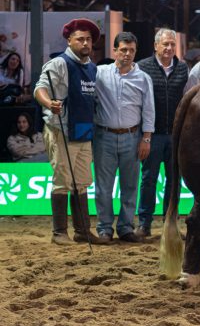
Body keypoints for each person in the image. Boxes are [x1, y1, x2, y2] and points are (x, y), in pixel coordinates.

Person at [34, 18, 101, 245]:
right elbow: (40, 88)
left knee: (82, 182)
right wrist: (49, 103)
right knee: (63, 180)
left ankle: (83, 231)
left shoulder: (92, 67)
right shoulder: (59, 63)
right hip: (61, 129)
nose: (85, 43)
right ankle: (59, 233)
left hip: (84, 131)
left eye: (88, 39)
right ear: (69, 41)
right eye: (80, 39)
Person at [93, 32, 155, 244]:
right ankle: (104, 228)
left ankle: (126, 227)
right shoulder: (99, 73)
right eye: (123, 50)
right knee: (103, 187)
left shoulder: (143, 78)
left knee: (130, 186)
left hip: (133, 137)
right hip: (104, 136)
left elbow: (149, 110)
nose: (127, 54)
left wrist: (146, 139)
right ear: (115, 51)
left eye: (132, 50)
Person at [135, 28, 188, 238]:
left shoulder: (182, 68)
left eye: (172, 44)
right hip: (152, 134)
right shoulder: (142, 67)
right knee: (149, 179)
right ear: (156, 45)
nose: (169, 48)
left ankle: (170, 223)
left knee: (174, 181)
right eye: (165, 44)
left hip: (176, 135)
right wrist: (144, 135)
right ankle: (144, 224)